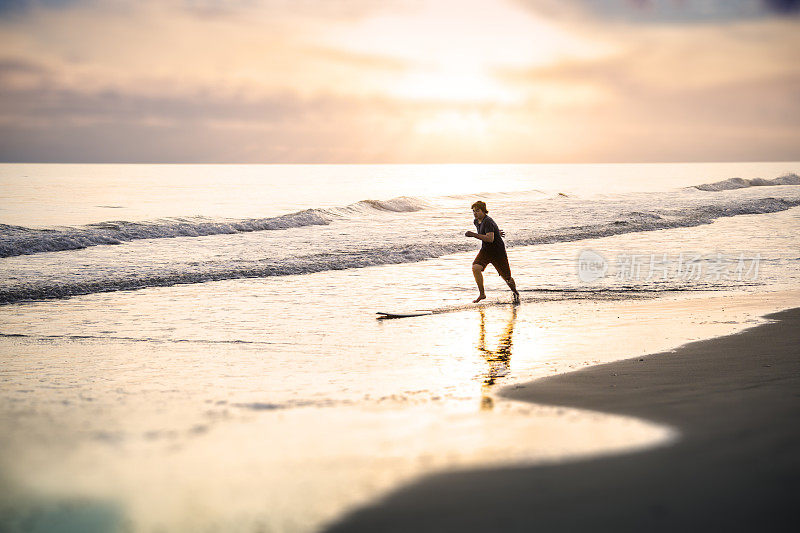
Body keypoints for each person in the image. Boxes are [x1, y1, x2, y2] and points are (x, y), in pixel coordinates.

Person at [465, 201, 519, 304]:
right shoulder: (476, 221)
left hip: (497, 252)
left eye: (477, 211)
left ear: (484, 211)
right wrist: (496, 231)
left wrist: (473, 234)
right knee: (475, 268)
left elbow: (490, 239)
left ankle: (515, 292)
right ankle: (482, 294)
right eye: (473, 211)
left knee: (507, 278)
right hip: (485, 250)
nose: (475, 213)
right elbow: (488, 231)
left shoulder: (488, 221)